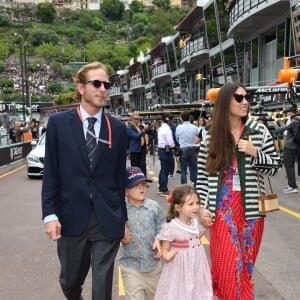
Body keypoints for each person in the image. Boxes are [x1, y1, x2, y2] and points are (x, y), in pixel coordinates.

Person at [41, 62, 128, 300]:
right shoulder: (59, 123)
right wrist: (50, 215)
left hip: (106, 217)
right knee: (70, 282)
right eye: (96, 83)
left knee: (102, 286)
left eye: (107, 84)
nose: (103, 89)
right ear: (80, 87)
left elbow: (119, 178)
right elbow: (51, 172)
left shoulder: (118, 129)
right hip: (70, 216)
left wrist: (123, 217)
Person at [196, 82, 281, 300]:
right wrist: (202, 209)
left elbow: (274, 166)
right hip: (221, 211)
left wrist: (255, 153)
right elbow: (203, 177)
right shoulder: (211, 136)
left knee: (245, 267)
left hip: (251, 212)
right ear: (226, 103)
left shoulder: (259, 130)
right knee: (226, 265)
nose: (245, 102)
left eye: (246, 97)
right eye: (239, 98)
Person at [154, 184, 213, 300]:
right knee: (180, 293)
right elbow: (165, 248)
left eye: (197, 203)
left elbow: (195, 238)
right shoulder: (171, 227)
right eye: (191, 204)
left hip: (197, 265)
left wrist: (205, 226)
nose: (196, 207)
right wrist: (167, 255)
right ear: (178, 207)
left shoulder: (196, 222)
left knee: (198, 292)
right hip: (180, 269)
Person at [120, 166, 165, 300]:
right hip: (130, 267)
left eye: (144, 184)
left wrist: (159, 238)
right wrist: (120, 234)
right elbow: (112, 228)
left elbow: (162, 226)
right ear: (125, 191)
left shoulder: (154, 206)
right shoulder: (121, 210)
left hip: (154, 268)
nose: (142, 188)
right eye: (136, 185)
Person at [274, 106, 299, 193]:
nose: (287, 113)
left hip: (290, 147)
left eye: (288, 112)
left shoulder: (293, 121)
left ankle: (292, 186)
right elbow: (285, 130)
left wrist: (274, 122)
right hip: (291, 146)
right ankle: (291, 185)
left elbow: (278, 129)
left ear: (292, 112)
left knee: (289, 166)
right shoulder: (295, 121)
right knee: (289, 166)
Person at [175, 111, 199, 185]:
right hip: (193, 150)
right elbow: (198, 138)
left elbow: (177, 139)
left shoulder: (178, 128)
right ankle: (196, 186)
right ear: (189, 118)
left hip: (183, 150)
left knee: (183, 171)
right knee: (194, 169)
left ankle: (184, 187)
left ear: (181, 118)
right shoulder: (195, 128)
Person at [157, 116, 175, 196]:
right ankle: (164, 189)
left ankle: (161, 187)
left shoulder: (161, 128)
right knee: (165, 170)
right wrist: (174, 146)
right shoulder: (167, 129)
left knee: (163, 169)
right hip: (166, 150)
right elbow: (170, 142)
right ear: (170, 120)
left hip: (161, 150)